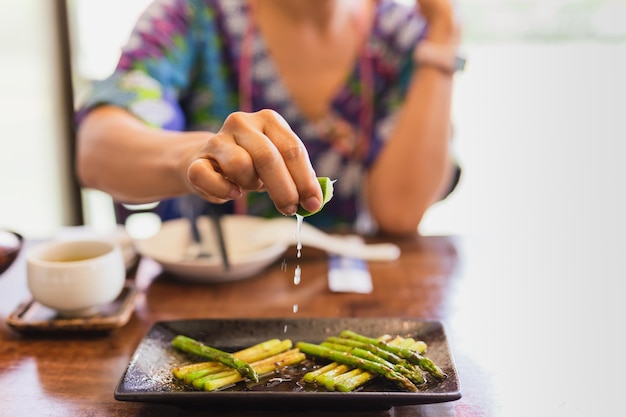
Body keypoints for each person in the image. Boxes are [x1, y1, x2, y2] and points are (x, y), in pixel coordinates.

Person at [75, 0, 463, 235]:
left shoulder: (408, 36)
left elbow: (399, 212)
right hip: (202, 302)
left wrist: (444, 34)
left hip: (350, 302)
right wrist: (195, 154)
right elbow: (96, 152)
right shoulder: (195, 15)